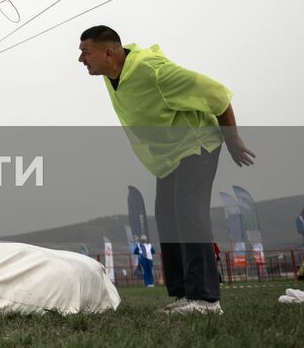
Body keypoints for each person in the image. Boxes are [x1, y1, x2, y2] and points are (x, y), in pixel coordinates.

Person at [78, 26, 253, 316]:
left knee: (189, 212)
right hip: (169, 156)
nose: (81, 60)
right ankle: (186, 295)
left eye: (85, 52)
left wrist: (232, 139)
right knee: (167, 219)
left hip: (197, 145)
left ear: (108, 52)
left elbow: (218, 95)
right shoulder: (113, 74)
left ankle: (206, 300)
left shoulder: (153, 72)